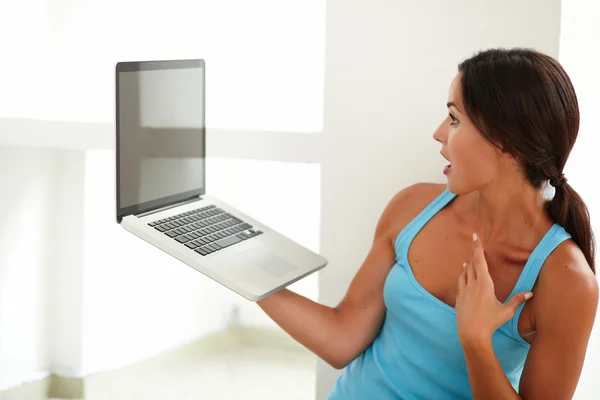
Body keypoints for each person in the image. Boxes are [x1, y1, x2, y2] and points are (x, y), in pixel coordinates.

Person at [257, 48, 599, 399]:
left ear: (508, 145)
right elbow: (342, 338)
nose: (438, 133)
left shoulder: (567, 282)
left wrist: (476, 339)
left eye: (454, 119)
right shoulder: (413, 207)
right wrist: (243, 271)